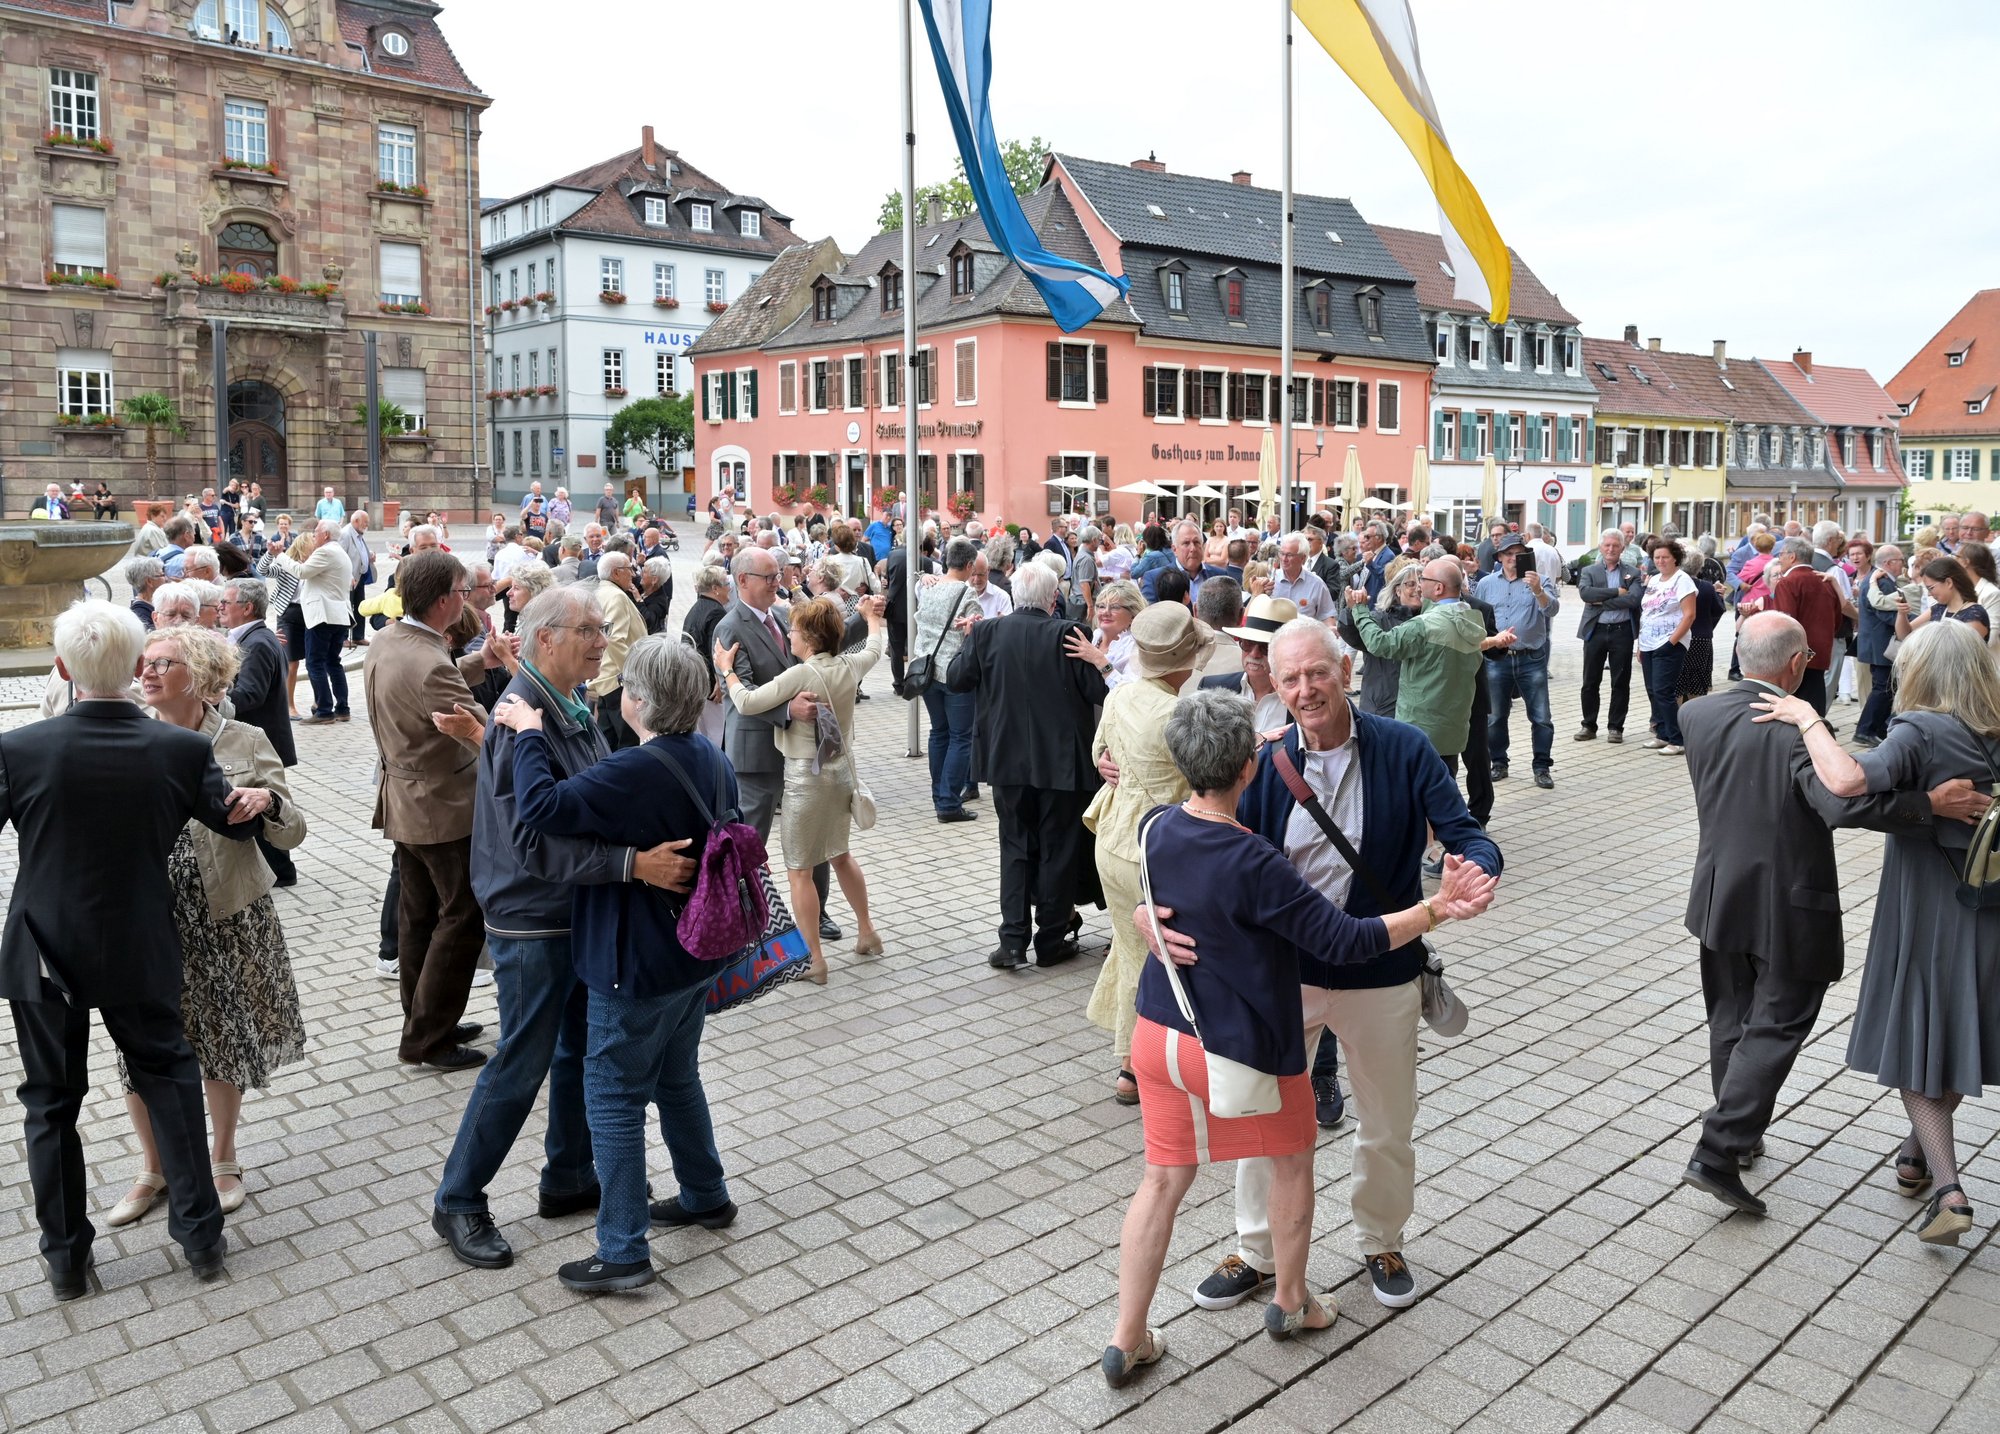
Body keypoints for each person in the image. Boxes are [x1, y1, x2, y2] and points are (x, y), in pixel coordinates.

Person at [1103, 689, 1496, 1386]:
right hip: (1240, 1039)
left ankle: (1126, 1340)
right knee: (1290, 1161)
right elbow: (1344, 940)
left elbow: (1165, 888)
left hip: (1160, 1034)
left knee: (1161, 1181)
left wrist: (1145, 915)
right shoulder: (1255, 860)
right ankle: (1290, 1301)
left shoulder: (1156, 825)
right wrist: (1436, 909)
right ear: (1248, 768)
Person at [1, 601, 269, 1298]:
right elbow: (234, 824)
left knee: (49, 1102)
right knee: (170, 1081)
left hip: (42, 944)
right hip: (139, 940)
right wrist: (255, 804)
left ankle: (66, 1261)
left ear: (63, 668)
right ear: (131, 668)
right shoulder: (180, 749)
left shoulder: (19, 748)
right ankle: (201, 1240)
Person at [1674, 612, 1983, 1217]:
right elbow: (1841, 805)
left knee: (1730, 1016)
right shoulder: (1796, 733)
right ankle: (1718, 1149)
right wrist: (1929, 803)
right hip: (1789, 902)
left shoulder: (1697, 714)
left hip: (1716, 893)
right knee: (1779, 1021)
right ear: (1797, 664)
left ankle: (1740, 1136)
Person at [432, 586, 694, 1269]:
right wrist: (632, 864)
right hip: (533, 918)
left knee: (577, 1051)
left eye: (601, 629)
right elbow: (531, 842)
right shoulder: (524, 712)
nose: (602, 641)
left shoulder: (565, 704)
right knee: (522, 1059)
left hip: (571, 908)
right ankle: (458, 1198)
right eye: (588, 630)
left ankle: (570, 1175)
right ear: (544, 639)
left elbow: (589, 800)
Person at [491, 639, 737, 1291]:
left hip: (637, 960)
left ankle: (623, 1249)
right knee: (677, 1077)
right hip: (695, 954)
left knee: (611, 1094)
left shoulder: (635, 770)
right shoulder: (709, 755)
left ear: (640, 699)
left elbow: (541, 809)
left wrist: (530, 731)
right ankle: (705, 1193)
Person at [1751, 621, 1998, 1243]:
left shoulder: (1921, 729)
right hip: (1990, 904)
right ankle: (1916, 1155)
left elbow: (1845, 782)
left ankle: (1949, 1190)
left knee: (1917, 1035)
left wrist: (1807, 717)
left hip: (1929, 904)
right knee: (1959, 1029)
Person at [103, 626, 305, 1229]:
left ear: (201, 676)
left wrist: (268, 803)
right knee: (139, 1045)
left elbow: (294, 831)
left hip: (226, 911)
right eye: (145, 663)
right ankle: (154, 1167)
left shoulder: (244, 738)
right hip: (145, 914)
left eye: (164, 663)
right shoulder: (126, 735)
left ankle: (223, 1158)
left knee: (221, 1038)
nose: (147, 672)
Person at [362, 551, 493, 1072]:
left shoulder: (390, 638)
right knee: (462, 917)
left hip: (407, 801)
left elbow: (429, 684)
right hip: (441, 807)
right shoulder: (431, 661)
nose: (467, 600)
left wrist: (481, 662)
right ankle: (429, 1038)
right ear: (442, 601)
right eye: (463, 592)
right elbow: (479, 726)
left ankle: (422, 1020)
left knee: (418, 917)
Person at [947, 561, 1107, 969]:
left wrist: (970, 641)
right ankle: (1050, 940)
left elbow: (957, 679)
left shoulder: (987, 632)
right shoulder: (1070, 633)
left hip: (1007, 759)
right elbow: (1098, 691)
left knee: (1015, 846)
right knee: (1059, 848)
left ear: (1015, 596)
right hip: (1063, 762)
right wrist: (1100, 660)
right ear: (1053, 598)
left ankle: (1013, 941)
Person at [719, 596, 888, 982]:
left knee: (799, 870)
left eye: (794, 630)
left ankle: (815, 959)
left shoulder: (800, 675)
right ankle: (867, 931)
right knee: (840, 854)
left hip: (805, 779)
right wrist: (870, 618)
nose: (789, 635)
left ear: (809, 638)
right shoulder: (849, 665)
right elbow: (876, 647)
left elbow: (746, 702)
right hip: (841, 774)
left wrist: (727, 669)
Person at [1082, 604, 1203, 1106]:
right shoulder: (1180, 715)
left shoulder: (1123, 694)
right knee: (1162, 955)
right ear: (1184, 661)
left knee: (1131, 946)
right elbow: (1208, 780)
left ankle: (1129, 1065)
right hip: (1156, 850)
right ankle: (1148, 1065)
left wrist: (1108, 763)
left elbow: (1100, 752)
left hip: (1111, 840)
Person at [713, 548, 841, 943]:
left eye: (778, 575)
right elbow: (740, 690)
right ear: (742, 580)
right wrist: (788, 710)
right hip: (757, 754)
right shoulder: (728, 627)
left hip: (801, 749)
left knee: (812, 834)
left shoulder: (785, 617)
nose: (777, 583)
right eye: (769, 577)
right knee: (751, 839)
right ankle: (742, 919)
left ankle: (817, 914)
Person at [1347, 560, 1488, 774]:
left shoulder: (1425, 625)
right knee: (1444, 785)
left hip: (1419, 731)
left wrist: (1359, 609)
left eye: (1423, 579)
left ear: (1438, 588)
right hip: (1452, 732)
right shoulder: (1471, 619)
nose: (1419, 585)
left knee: (1415, 789)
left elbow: (1379, 643)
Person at [219, 577, 298, 884]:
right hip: (259, 739)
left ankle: (281, 872)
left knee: (263, 808)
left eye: (226, 603)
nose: (220, 608)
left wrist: (212, 698)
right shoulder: (254, 638)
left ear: (247, 608)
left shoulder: (257, 643)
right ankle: (278, 870)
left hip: (259, 741)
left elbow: (250, 694)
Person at [1475, 535, 1560, 788]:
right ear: (1500, 557)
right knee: (1495, 716)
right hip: (1496, 658)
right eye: (1509, 553)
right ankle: (1498, 762)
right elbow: (1477, 617)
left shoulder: (1539, 580)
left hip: (1531, 657)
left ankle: (1542, 766)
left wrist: (1538, 591)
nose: (1514, 558)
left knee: (1541, 716)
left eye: (1519, 554)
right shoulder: (1487, 584)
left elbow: (1552, 610)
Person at [911, 538, 985, 823]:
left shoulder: (928, 587)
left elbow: (919, 587)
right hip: (955, 672)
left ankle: (938, 796)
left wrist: (923, 576)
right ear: (969, 565)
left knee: (939, 733)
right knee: (961, 737)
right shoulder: (966, 592)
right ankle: (949, 803)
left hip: (926, 671)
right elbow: (976, 628)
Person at [274, 519, 353, 724]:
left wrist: (280, 555)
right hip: (339, 616)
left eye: (316, 532)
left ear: (325, 534)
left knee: (315, 663)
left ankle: (324, 711)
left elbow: (301, 572)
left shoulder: (325, 551)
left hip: (323, 616)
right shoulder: (340, 552)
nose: (314, 535)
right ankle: (342, 708)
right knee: (333, 662)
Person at [1575, 530, 1642, 743]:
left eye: (1615, 545)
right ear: (1601, 547)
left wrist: (1600, 602)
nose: (1611, 549)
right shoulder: (1589, 571)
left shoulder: (1633, 572)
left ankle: (1616, 727)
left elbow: (1633, 600)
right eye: (1607, 545)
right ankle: (1588, 725)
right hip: (1596, 630)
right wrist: (1616, 592)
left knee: (1620, 681)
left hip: (1622, 631)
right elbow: (1586, 594)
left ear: (1622, 548)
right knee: (1590, 681)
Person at [1636, 538, 1698, 756]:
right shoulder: (1654, 580)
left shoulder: (1683, 580)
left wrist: (1671, 642)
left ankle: (1677, 739)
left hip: (1670, 643)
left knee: (1664, 690)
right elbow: (1646, 613)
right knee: (1653, 690)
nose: (1660, 561)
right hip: (1648, 643)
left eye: (1665, 557)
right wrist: (1640, 645)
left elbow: (1689, 615)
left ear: (1675, 559)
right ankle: (1662, 733)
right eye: (1657, 557)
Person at [1337, 566, 1423, 718]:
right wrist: (1352, 610)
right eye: (1411, 584)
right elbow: (1350, 632)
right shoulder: (1378, 619)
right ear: (1397, 591)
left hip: (1418, 709)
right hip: (1381, 707)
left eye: (1421, 583)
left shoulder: (1432, 622)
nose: (1418, 589)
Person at [1767, 537, 1839, 715]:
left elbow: (1785, 623)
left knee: (1794, 707)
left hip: (1796, 655)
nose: (1779, 558)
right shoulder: (1825, 581)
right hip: (1821, 652)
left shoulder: (1788, 582)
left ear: (1792, 557)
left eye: (1781, 554)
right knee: (1815, 701)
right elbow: (1837, 620)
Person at [587, 552, 649, 751]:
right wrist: (634, 674)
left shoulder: (602, 591)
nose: (633, 574)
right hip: (619, 682)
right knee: (627, 745)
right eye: (629, 569)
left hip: (609, 680)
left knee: (608, 745)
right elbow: (613, 639)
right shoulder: (616, 596)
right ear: (616, 573)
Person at [681, 566, 731, 748]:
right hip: (711, 687)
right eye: (726, 584)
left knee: (703, 734)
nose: (730, 588)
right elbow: (715, 649)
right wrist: (719, 680)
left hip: (697, 682)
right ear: (715, 588)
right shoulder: (716, 612)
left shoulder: (696, 608)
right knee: (716, 736)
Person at [1895, 555, 1991, 645]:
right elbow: (1905, 635)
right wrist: (1902, 614)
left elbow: (1962, 651)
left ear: (1949, 582)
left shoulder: (1974, 614)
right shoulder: (1939, 608)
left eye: (1931, 588)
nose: (1929, 594)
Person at [339, 510, 374, 649]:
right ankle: (343, 637)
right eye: (365, 522)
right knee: (347, 607)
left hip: (360, 576)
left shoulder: (358, 533)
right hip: (350, 578)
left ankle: (358, 636)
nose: (367, 525)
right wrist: (348, 576)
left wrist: (369, 556)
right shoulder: (345, 534)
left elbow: (359, 550)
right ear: (356, 521)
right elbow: (341, 557)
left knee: (360, 607)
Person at [637, 556, 673, 635]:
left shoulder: (659, 602)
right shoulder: (643, 588)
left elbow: (648, 621)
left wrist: (639, 600)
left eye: (644, 572)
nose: (641, 574)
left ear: (654, 580)